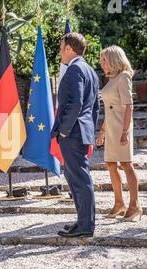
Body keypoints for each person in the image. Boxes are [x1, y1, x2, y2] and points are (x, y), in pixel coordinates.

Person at [51, 32, 100, 238]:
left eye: (62, 48)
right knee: (75, 177)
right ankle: (82, 221)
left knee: (79, 178)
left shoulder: (74, 70)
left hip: (72, 132)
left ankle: (86, 225)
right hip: (82, 130)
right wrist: (90, 128)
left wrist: (64, 130)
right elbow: (95, 107)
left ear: (70, 49)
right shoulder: (90, 71)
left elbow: (76, 104)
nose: (60, 52)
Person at [97, 46, 142, 222]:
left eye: (104, 60)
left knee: (126, 164)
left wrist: (125, 132)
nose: (102, 64)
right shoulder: (112, 79)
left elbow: (129, 106)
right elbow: (109, 110)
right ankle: (119, 204)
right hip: (111, 127)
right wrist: (102, 132)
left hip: (122, 127)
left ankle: (135, 206)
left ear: (114, 59)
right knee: (110, 164)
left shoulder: (123, 77)